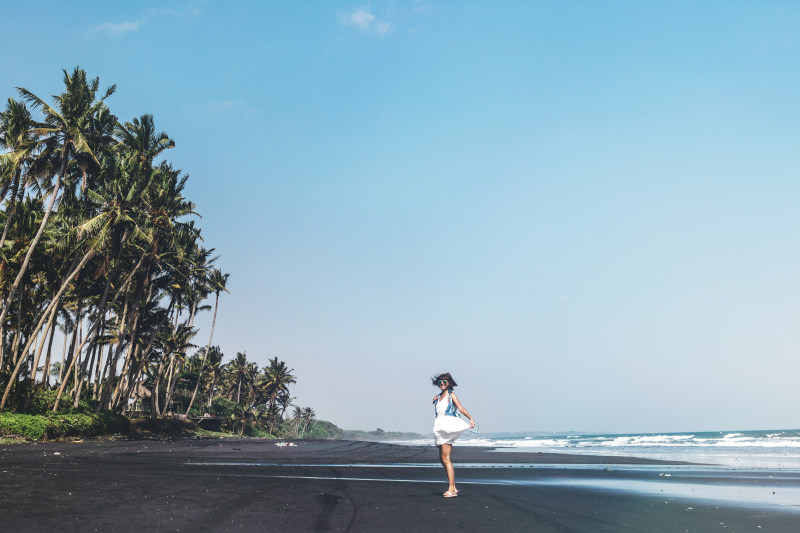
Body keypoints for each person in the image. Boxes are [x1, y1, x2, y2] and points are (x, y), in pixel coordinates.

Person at [432, 372, 475, 498]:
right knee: (442, 459)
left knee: (446, 459)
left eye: (444, 382)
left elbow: (460, 408)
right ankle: (453, 487)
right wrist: (433, 400)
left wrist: (470, 418)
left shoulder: (451, 395)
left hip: (448, 427)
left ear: (449, 383)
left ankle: (452, 488)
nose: (442, 384)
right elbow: (439, 410)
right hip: (439, 427)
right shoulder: (438, 396)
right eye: (440, 382)